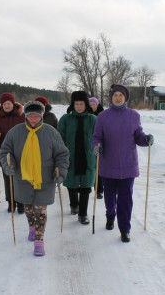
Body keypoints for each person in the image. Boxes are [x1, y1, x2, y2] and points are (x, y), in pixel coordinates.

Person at [0, 101, 69, 256]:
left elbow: (62, 154)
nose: (33, 119)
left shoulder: (51, 132)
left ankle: (39, 240)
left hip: (45, 179)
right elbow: (5, 151)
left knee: (40, 210)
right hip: (22, 178)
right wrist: (7, 164)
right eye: (30, 115)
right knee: (29, 208)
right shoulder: (15, 132)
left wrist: (61, 170)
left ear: (41, 116)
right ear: (25, 115)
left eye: (36, 116)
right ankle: (32, 226)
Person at [91, 84, 154, 243]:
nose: (118, 97)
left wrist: (146, 139)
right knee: (110, 197)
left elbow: (138, 136)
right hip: (108, 164)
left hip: (128, 166)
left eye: (121, 95)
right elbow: (97, 137)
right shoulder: (103, 117)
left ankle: (125, 229)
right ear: (111, 97)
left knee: (126, 199)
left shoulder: (134, 116)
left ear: (125, 97)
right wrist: (96, 147)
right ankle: (110, 216)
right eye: (115, 95)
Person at [57, 91, 97, 225]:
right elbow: (59, 136)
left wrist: (97, 147)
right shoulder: (65, 119)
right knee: (71, 184)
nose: (79, 106)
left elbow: (99, 136)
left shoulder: (93, 119)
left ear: (86, 104)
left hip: (87, 157)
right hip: (70, 156)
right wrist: (63, 148)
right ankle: (74, 204)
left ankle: (83, 214)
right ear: (73, 104)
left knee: (86, 186)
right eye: (77, 104)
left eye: (82, 104)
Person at [0, 93, 26, 214]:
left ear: (13, 103)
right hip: (5, 154)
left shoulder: (22, 116)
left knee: (20, 179)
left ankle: (21, 203)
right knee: (8, 179)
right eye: (4, 104)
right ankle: (11, 203)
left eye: (8, 103)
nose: (6, 105)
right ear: (2, 105)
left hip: (20, 153)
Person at [88, 96, 105, 200]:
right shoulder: (87, 116)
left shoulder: (102, 115)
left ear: (97, 105)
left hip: (99, 144)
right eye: (90, 105)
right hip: (88, 144)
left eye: (94, 104)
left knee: (98, 168)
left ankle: (98, 190)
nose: (92, 106)